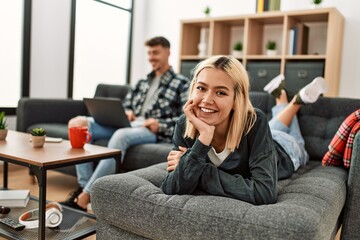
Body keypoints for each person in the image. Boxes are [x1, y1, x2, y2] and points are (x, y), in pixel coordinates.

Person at [160, 55, 327, 205]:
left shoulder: (255, 121)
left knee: (288, 137)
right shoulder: (185, 124)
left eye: (220, 92)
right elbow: (172, 188)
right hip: (264, 137)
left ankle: (296, 101)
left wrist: (199, 170)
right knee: (272, 127)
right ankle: (282, 96)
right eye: (201, 88)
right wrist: (204, 137)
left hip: (286, 150)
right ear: (193, 89)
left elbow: (264, 193)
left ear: (236, 99)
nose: (207, 99)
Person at [62, 36, 189, 211]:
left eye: (156, 52)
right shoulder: (142, 82)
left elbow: (186, 118)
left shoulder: (181, 84)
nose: (151, 57)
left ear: (168, 52)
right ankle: (83, 186)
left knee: (120, 135)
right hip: (128, 123)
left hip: (150, 130)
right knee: (78, 123)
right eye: (149, 53)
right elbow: (127, 105)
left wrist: (159, 124)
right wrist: (127, 112)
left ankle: (85, 195)